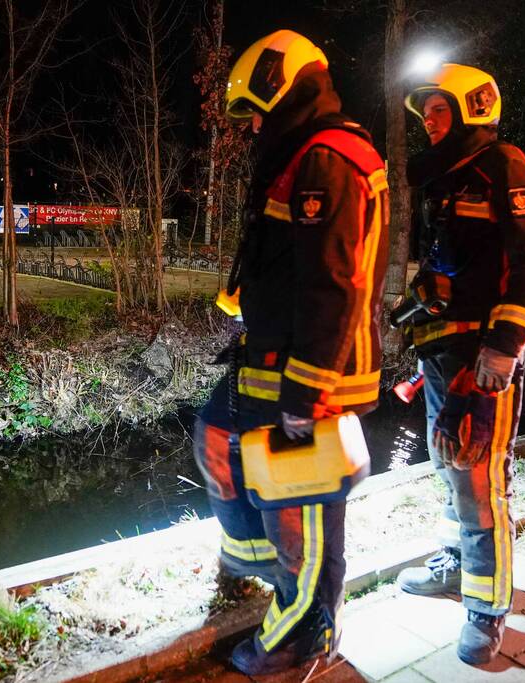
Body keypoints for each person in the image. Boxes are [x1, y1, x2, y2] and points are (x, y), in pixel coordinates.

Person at [192, 30, 389, 676]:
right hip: (271, 358)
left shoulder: (327, 159)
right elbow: (281, 262)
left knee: (300, 510)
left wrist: (304, 394)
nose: (250, 128)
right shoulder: (304, 152)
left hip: (306, 374)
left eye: (254, 112)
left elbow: (332, 286)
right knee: (217, 434)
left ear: (280, 88)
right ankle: (267, 579)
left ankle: (291, 635)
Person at [395, 64, 525, 665]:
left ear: (472, 109)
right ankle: (457, 563)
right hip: (441, 350)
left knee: (479, 477)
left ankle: (487, 611)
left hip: (481, 356)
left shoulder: (505, 168)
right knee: (448, 462)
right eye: (426, 114)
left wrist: (502, 347)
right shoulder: (448, 178)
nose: (430, 123)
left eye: (441, 111)